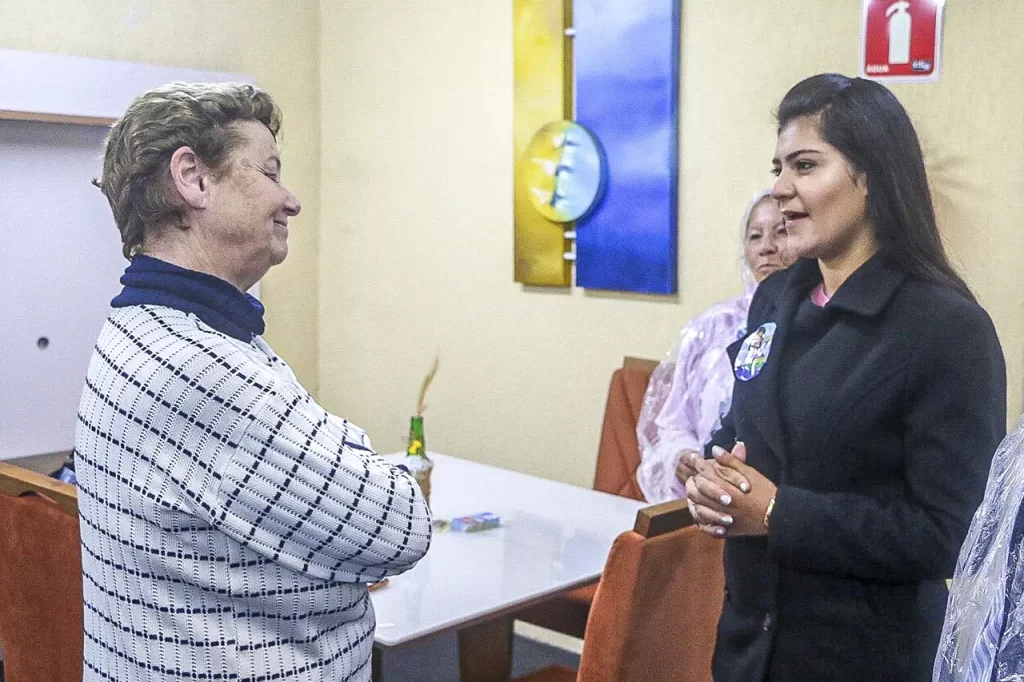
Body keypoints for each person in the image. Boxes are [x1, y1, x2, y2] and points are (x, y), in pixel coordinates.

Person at [75, 82, 431, 682]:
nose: (290, 200)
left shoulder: (149, 328)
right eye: (269, 172)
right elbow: (400, 524)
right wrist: (352, 458)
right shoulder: (193, 370)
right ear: (193, 177)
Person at [684, 73, 1006, 682]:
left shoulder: (946, 328)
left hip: (861, 656)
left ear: (872, 177)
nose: (779, 189)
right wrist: (713, 473)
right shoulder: (775, 298)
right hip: (749, 647)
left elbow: (955, 533)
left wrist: (780, 513)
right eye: (778, 167)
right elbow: (741, 427)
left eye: (805, 165)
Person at [635, 190, 792, 503]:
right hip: (701, 506)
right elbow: (671, 422)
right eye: (755, 236)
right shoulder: (711, 328)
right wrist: (681, 457)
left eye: (782, 232)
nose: (766, 248)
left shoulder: (814, 331)